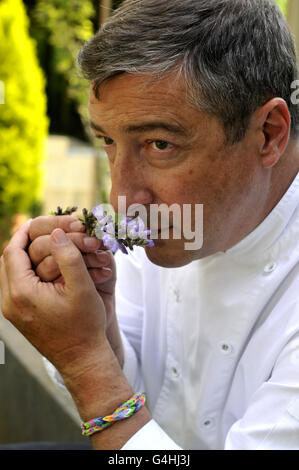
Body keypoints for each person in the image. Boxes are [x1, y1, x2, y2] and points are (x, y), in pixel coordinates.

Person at [1, 0, 299, 450]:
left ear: (269, 133)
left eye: (160, 144)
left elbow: (105, 393)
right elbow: (137, 387)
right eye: (107, 141)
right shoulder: (173, 222)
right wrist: (99, 333)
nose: (122, 200)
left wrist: (85, 365)